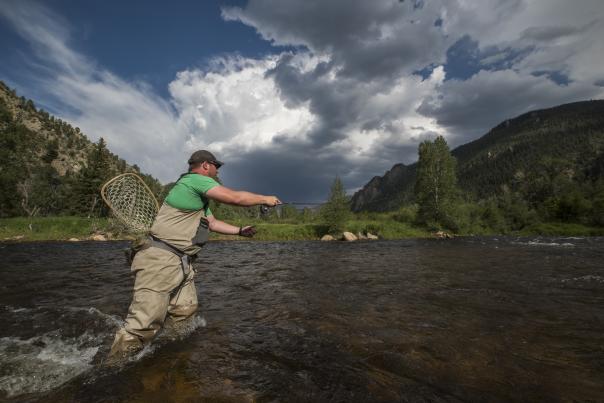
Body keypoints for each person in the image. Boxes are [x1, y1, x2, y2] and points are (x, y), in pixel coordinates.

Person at [109, 150, 281, 359]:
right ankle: (112, 367)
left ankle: (164, 358)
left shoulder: (196, 197)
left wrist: (239, 230)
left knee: (184, 311)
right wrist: (266, 198)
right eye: (216, 166)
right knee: (141, 326)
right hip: (160, 261)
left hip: (180, 262)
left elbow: (213, 223)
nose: (217, 171)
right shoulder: (195, 181)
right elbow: (235, 198)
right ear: (206, 166)